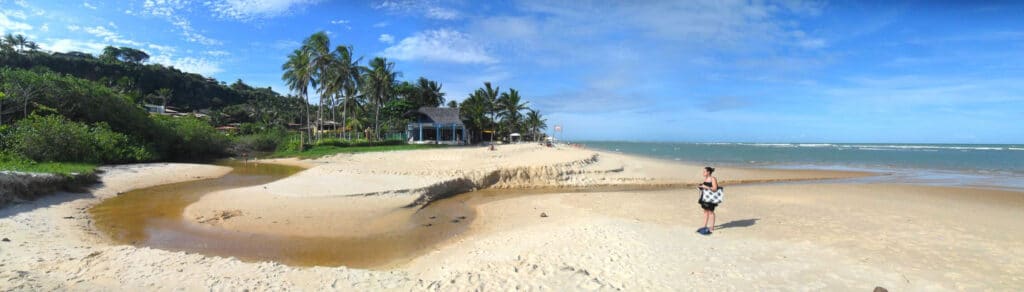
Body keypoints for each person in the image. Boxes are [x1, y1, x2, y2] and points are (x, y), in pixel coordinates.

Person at [697, 166, 719, 235]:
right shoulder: (706, 178)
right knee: (705, 211)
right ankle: (704, 226)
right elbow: (705, 188)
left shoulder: (713, 178)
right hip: (705, 197)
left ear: (708, 172)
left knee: (711, 212)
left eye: (704, 171)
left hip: (711, 198)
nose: (703, 173)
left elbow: (715, 188)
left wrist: (705, 187)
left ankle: (711, 227)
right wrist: (700, 188)